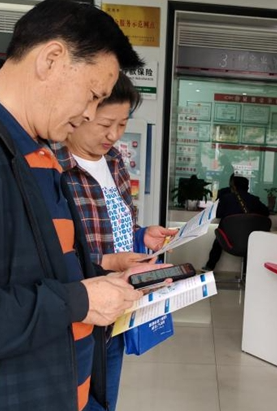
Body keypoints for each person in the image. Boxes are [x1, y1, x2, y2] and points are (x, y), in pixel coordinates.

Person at [0, 1, 164, 410]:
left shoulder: (36, 154)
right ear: (52, 59)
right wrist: (79, 301)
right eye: (93, 96)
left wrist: (106, 278)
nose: (90, 114)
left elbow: (31, 276)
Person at [53, 72, 177, 411]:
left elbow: (118, 223)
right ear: (80, 113)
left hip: (118, 307)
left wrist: (141, 235)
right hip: (79, 311)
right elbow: (51, 251)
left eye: (122, 124)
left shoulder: (114, 161)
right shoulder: (54, 167)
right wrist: (107, 263)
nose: (114, 134)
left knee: (106, 396)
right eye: (106, 124)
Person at [203, 176, 269, 271]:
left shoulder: (225, 198)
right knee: (249, 240)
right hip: (250, 240)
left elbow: (218, 214)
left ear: (233, 186)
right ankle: (246, 273)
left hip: (228, 239)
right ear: (247, 187)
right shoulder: (254, 199)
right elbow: (266, 212)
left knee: (219, 238)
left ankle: (210, 266)